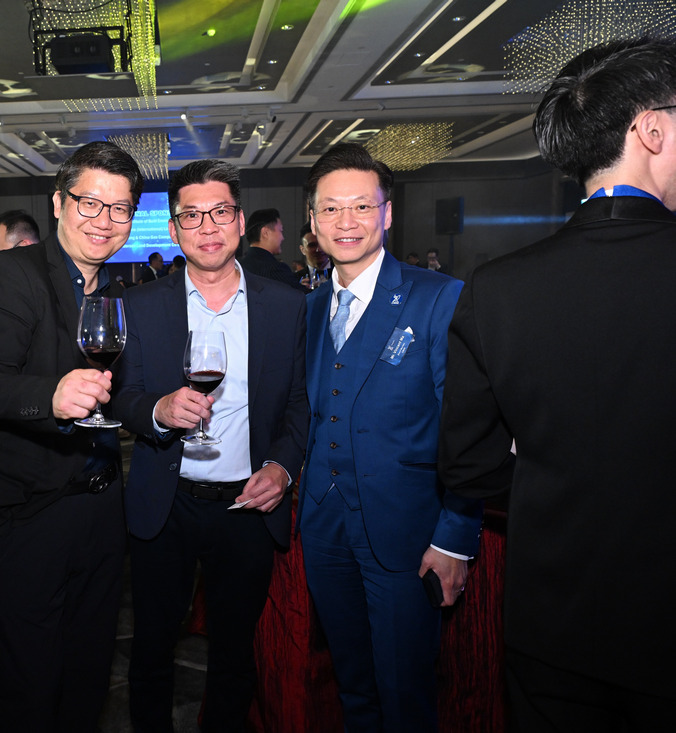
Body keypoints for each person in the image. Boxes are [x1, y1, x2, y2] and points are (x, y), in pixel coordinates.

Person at [438, 37, 676, 730]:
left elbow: (466, 463)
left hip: (551, 620)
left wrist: (548, 478)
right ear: (651, 129)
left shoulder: (498, 288)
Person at [115, 159, 308, 732]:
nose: (208, 227)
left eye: (220, 212)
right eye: (192, 215)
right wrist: (157, 410)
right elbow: (122, 396)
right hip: (167, 502)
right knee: (152, 648)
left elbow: (301, 404)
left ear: (241, 222)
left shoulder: (286, 306)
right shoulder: (140, 305)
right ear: (173, 229)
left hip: (246, 506)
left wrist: (283, 467)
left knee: (234, 651)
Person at [298, 143, 482, 731]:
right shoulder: (310, 307)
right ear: (312, 221)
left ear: (387, 213)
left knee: (406, 694)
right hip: (324, 528)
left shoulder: (437, 297)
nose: (346, 221)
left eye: (361, 206)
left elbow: (468, 427)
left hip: (405, 532)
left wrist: (455, 538)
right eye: (331, 209)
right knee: (352, 685)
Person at [0, 140, 142, 733]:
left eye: (119, 209)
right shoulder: (9, 275)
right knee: (32, 689)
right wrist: (51, 397)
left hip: (101, 514)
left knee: (88, 680)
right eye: (90, 202)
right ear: (59, 203)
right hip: (31, 521)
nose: (104, 220)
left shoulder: (112, 291)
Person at [239, 208, 307, 291]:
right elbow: (301, 296)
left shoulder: (239, 266)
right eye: (280, 231)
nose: (282, 238)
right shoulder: (274, 269)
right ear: (265, 233)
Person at [298, 222, 331, 290]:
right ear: (302, 250)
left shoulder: (343, 275)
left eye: (322, 243)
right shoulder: (295, 281)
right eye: (312, 245)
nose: (318, 249)